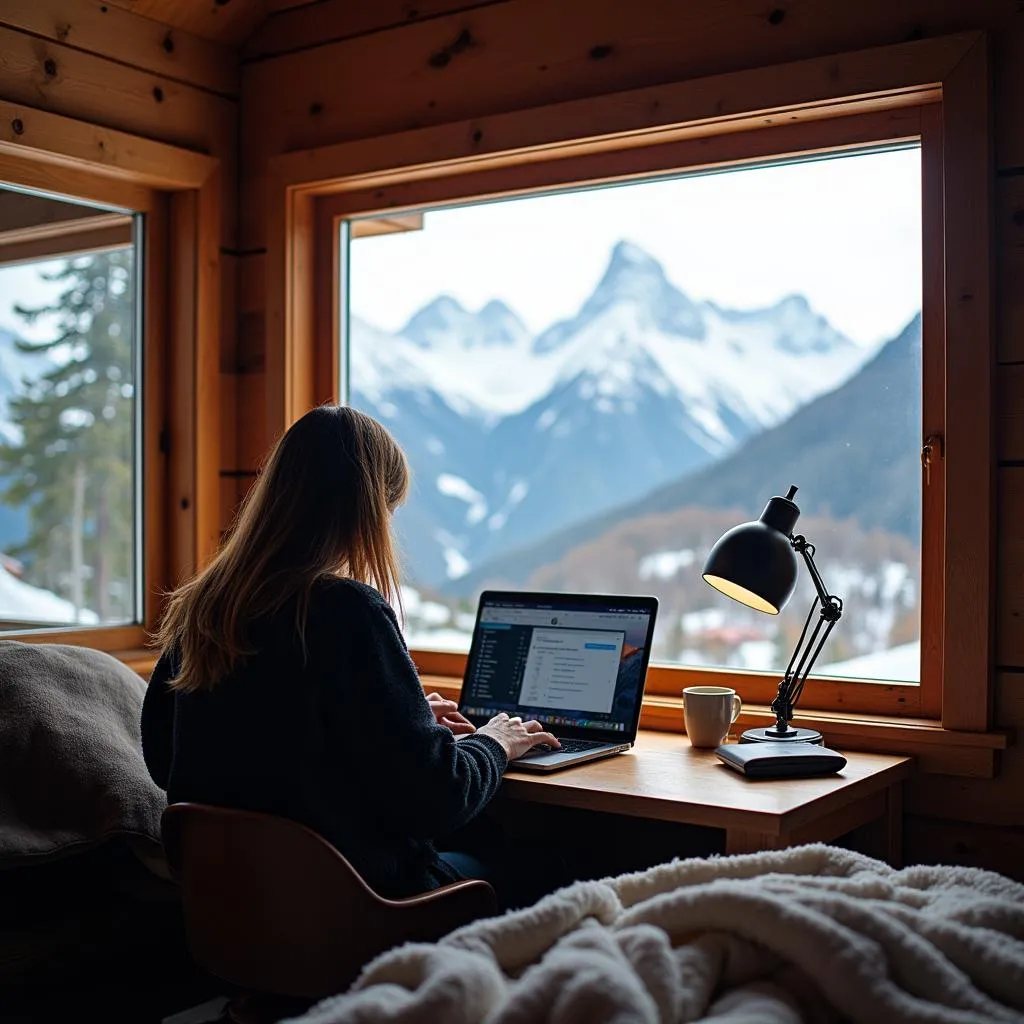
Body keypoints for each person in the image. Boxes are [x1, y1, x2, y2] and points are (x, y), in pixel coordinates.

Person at [141, 405, 560, 906]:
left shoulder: (205, 609)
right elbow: (437, 798)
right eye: (389, 511)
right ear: (366, 511)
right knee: (545, 863)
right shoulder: (346, 609)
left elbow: (167, 757)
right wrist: (496, 741)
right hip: (357, 910)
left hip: (241, 913)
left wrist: (398, 722)